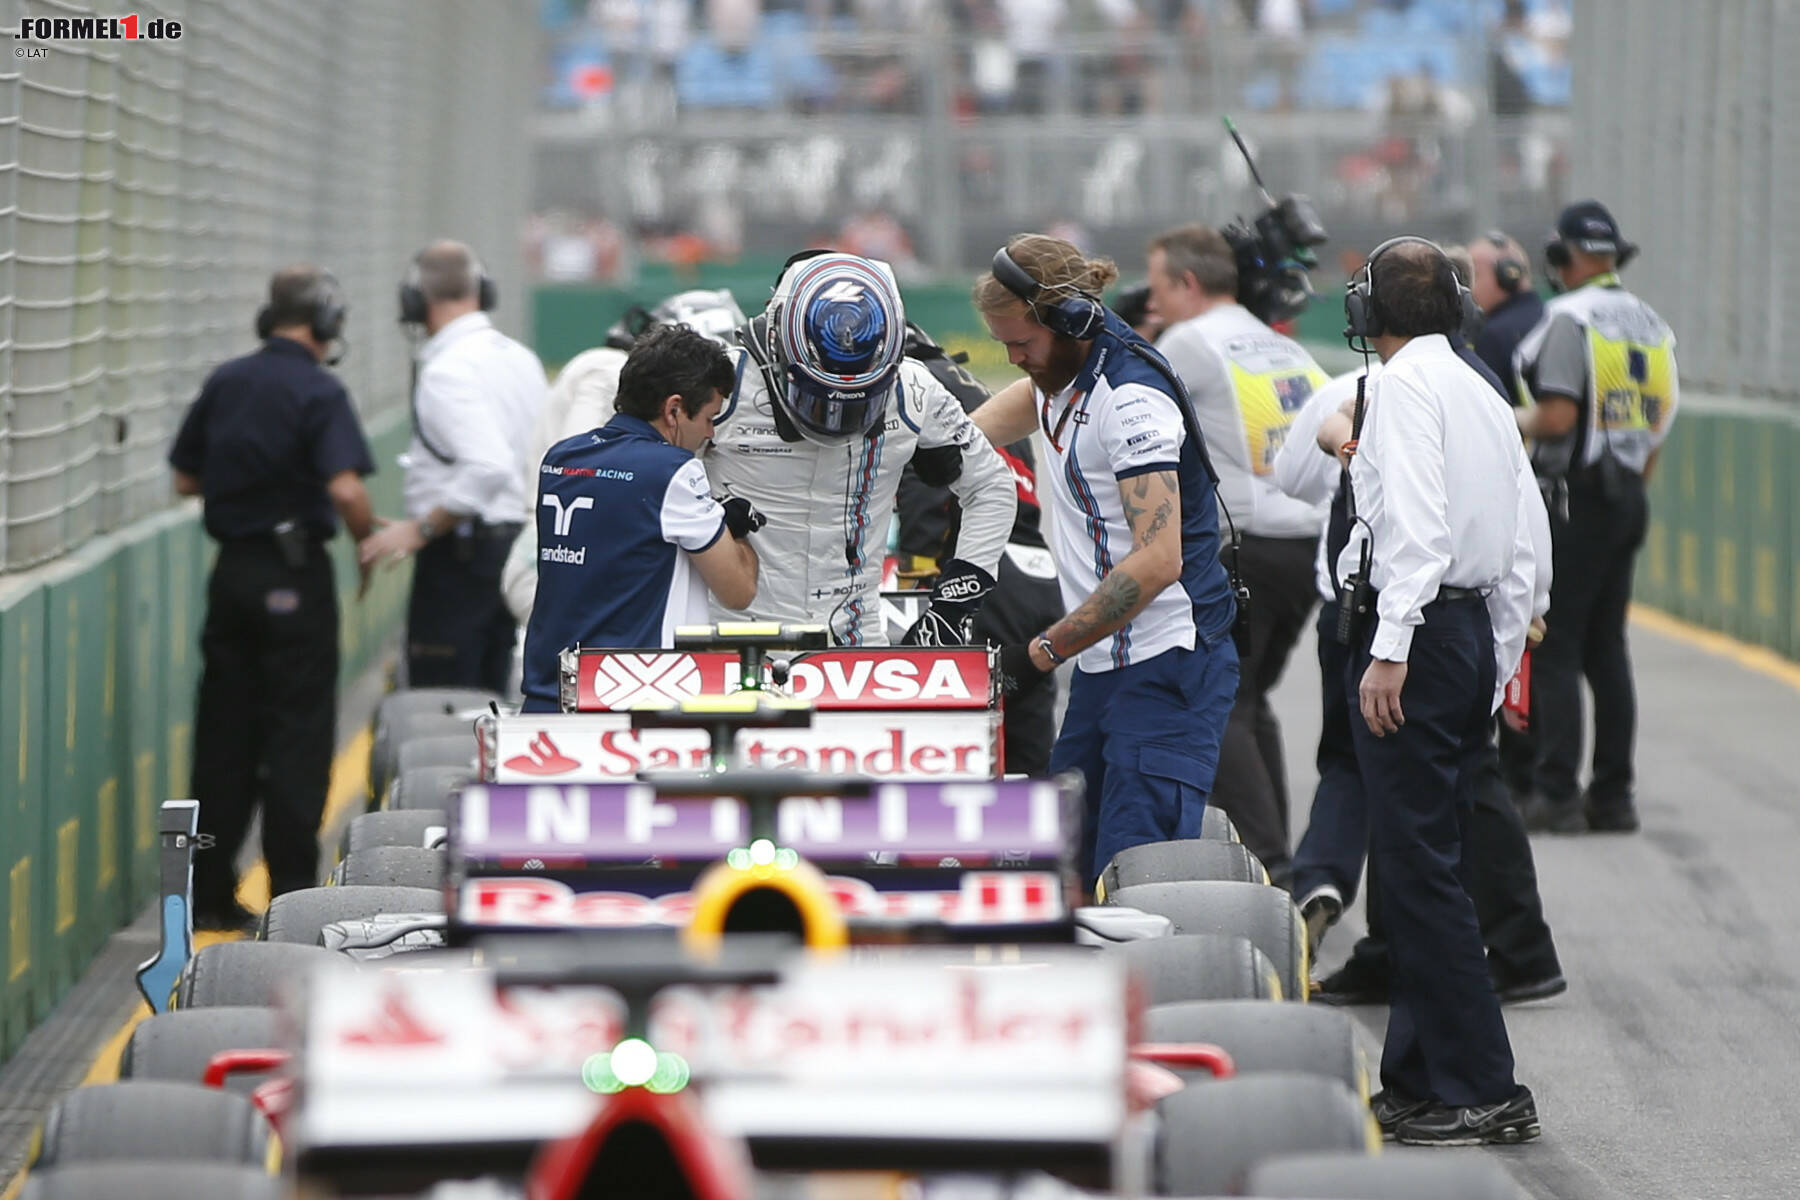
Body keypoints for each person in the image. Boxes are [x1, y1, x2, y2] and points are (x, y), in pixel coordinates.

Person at [1311, 236, 1539, 1144]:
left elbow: (1414, 527)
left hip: (1417, 632)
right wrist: (1497, 656)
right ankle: (1419, 1076)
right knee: (1424, 864)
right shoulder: (1479, 389)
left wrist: (1391, 647)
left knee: (1419, 872)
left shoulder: (1403, 387)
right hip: (1465, 633)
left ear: (1368, 313)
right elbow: (1522, 541)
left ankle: (1482, 1085)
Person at [968, 232, 1240, 883]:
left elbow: (1159, 561)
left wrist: (1041, 653)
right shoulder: (1064, 366)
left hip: (1168, 663)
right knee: (1065, 856)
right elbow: (1031, 399)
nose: (1013, 359)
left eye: (1021, 343)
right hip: (1105, 661)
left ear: (1067, 320)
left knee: (1130, 876)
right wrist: (953, 447)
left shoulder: (1132, 401)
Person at [168, 266, 376, 929]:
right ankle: (290, 897)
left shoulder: (227, 380)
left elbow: (184, 478)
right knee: (297, 734)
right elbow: (345, 488)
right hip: (295, 574)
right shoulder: (319, 390)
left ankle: (205, 893)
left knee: (223, 735)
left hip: (235, 570)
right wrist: (367, 541)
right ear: (326, 323)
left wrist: (245, 487)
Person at [1146, 223, 1330, 887]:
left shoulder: (1189, 342)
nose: (1154, 303)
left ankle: (1273, 866)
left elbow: (1132, 403)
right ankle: (1284, 858)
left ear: (1189, 283)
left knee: (1216, 701)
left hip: (1248, 547)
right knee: (1249, 700)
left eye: (1159, 289)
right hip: (1306, 542)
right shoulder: (1279, 343)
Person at [714, 251, 1017, 646]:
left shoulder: (914, 389)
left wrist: (955, 604)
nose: (835, 417)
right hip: (726, 642)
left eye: (857, 402)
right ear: (777, 344)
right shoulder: (722, 382)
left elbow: (991, 485)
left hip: (856, 643)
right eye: (820, 398)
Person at [1513, 200, 1678, 834]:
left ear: (1565, 257)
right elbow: (1658, 428)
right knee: (1607, 648)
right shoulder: (1652, 324)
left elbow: (1557, 416)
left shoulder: (1569, 319)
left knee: (1556, 644)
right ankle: (1613, 796)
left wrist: (1509, 418)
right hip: (1628, 491)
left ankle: (1556, 793)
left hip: (1576, 494)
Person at [519, 324, 760, 713]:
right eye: (710, 417)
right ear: (674, 409)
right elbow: (739, 591)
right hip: (634, 709)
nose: (711, 434)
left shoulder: (561, 459)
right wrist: (736, 528)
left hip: (547, 698)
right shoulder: (673, 471)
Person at [361, 241, 548, 695]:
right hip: (514, 548)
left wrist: (423, 528)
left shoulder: (447, 371)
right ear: (483, 291)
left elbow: (489, 466)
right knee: (491, 699)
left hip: (462, 561)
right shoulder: (521, 358)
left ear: (414, 300)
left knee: (441, 703)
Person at [501, 289, 747, 624]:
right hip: (555, 552)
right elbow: (593, 476)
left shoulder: (571, 450)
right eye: (710, 416)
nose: (711, 432)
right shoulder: (606, 372)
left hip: (552, 548)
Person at [892, 320, 1064, 775]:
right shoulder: (975, 386)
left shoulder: (912, 388)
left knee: (949, 732)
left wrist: (916, 574)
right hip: (1036, 580)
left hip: (984, 582)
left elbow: (925, 486)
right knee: (1026, 745)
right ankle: (1031, 815)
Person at [1468, 230, 1544, 404]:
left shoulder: (1493, 336)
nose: (1468, 288)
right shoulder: (1551, 316)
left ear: (1507, 276)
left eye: (1474, 276)